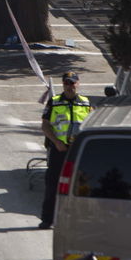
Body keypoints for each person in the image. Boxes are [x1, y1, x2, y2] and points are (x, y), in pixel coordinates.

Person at [39, 71, 92, 230]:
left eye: (72, 83)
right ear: (63, 84)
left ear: (78, 83)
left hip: (78, 151)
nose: (70, 86)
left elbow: (91, 124)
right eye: (67, 83)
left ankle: (79, 220)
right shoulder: (54, 102)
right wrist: (56, 142)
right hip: (59, 149)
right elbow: (45, 125)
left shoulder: (85, 102)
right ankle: (47, 220)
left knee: (81, 185)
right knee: (53, 185)